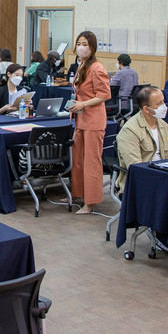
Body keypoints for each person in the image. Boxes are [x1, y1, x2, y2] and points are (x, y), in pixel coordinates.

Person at [68, 31, 111, 215]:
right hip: (81, 119)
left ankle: (91, 202)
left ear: (92, 46)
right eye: (78, 43)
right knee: (77, 160)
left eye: (84, 43)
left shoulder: (97, 68)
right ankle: (78, 194)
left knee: (91, 162)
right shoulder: (83, 65)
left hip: (93, 120)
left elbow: (104, 95)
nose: (80, 47)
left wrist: (83, 104)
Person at [115, 86, 168, 193]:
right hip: (143, 180)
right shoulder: (130, 130)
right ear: (146, 109)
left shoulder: (163, 125)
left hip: (164, 176)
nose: (164, 106)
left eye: (163, 101)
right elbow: (135, 167)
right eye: (158, 104)